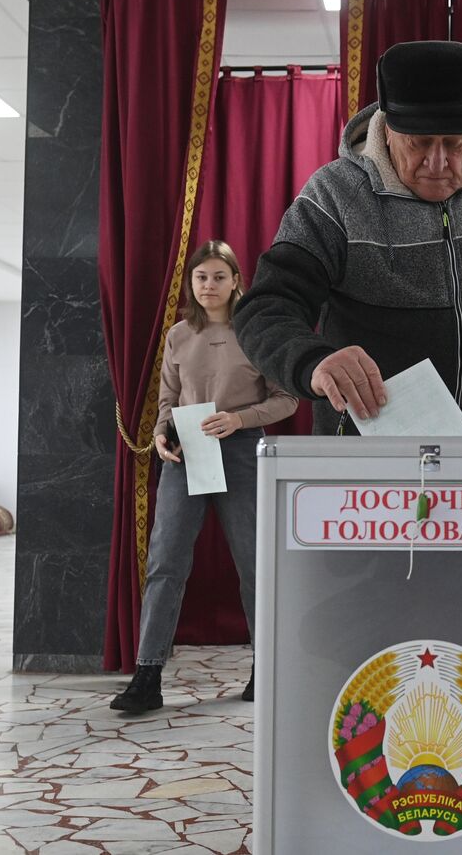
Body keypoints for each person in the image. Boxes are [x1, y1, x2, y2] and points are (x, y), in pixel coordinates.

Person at [234, 41, 462, 437]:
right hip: (366, 454)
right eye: (418, 144)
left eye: (456, 145)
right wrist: (313, 361)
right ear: (387, 130)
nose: (437, 164)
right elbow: (265, 308)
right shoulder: (333, 196)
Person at [112, 241, 298, 714]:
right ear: (191, 284)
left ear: (236, 279)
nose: (209, 285)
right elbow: (168, 399)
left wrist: (240, 420)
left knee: (254, 566)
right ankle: (147, 676)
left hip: (240, 452)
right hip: (186, 451)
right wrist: (158, 435)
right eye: (201, 278)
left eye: (218, 276)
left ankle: (268, 670)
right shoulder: (178, 335)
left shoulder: (256, 333)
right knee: (165, 563)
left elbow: (287, 400)